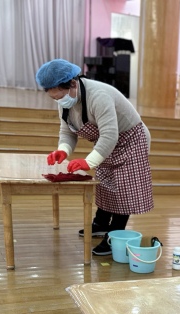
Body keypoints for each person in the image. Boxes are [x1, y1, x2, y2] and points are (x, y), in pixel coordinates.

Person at [36, 58, 154, 256]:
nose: (59, 101)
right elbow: (67, 131)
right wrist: (63, 150)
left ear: (73, 83)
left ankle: (114, 236)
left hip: (131, 140)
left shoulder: (98, 96)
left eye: (60, 96)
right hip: (108, 143)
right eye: (55, 98)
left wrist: (88, 162)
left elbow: (109, 135)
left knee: (122, 190)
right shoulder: (65, 101)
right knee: (104, 184)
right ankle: (101, 223)